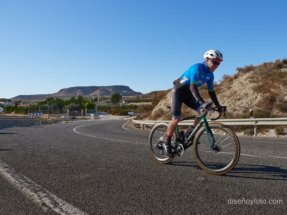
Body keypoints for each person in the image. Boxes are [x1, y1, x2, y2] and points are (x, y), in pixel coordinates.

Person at [164, 49, 224, 155]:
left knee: (202, 112)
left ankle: (187, 135)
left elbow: (211, 92)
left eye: (219, 63)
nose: (217, 65)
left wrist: (218, 105)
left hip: (188, 95)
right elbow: (193, 87)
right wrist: (201, 101)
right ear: (207, 59)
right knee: (176, 119)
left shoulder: (210, 75)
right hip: (178, 91)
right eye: (215, 62)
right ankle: (167, 142)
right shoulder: (198, 68)